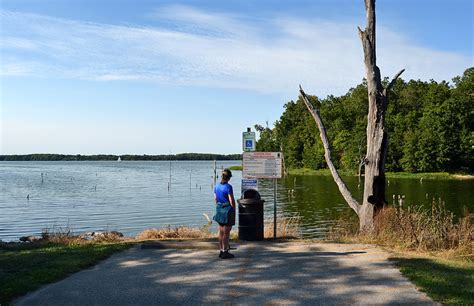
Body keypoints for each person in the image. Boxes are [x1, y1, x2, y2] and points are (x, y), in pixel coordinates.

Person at [213, 168, 236, 259]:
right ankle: (225, 252)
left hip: (219, 209)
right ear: (229, 178)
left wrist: (219, 206)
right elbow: (231, 200)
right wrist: (233, 210)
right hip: (227, 210)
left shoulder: (216, 186)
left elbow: (215, 199)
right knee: (226, 233)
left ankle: (221, 251)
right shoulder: (228, 187)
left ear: (222, 176)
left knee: (221, 232)